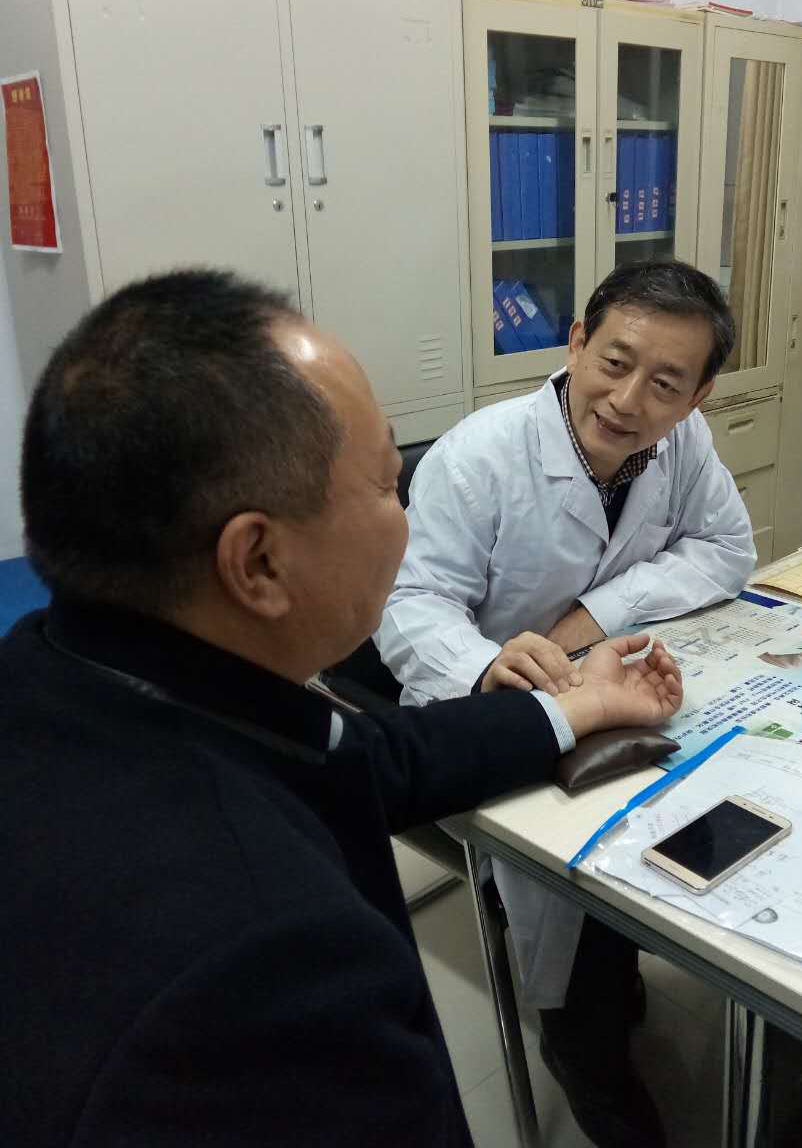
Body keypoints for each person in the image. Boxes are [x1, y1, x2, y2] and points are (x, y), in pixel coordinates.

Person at [0, 269, 683, 1148]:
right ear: (259, 563)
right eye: (390, 486)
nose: (406, 520)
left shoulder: (70, 668)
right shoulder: (275, 971)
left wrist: (576, 708)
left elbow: (369, 756)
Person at [376, 258, 755, 1146]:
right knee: (576, 915)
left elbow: (726, 549)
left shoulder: (684, 444)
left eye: (665, 384)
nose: (627, 400)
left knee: (720, 815)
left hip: (618, 691)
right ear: (577, 342)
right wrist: (488, 666)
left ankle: (623, 981)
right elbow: (408, 603)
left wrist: (594, 615)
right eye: (614, 362)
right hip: (500, 709)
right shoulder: (480, 456)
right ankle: (583, 1048)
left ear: (698, 397)